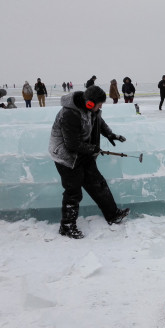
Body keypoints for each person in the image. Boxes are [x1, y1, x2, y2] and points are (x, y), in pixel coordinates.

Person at [48, 86, 130, 239]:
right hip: (66, 155)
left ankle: (112, 215)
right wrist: (93, 149)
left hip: (83, 151)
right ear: (90, 103)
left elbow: (98, 120)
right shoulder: (69, 114)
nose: (101, 107)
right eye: (99, 104)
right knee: (73, 191)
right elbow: (71, 144)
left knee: (97, 182)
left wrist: (110, 135)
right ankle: (66, 226)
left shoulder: (92, 109)